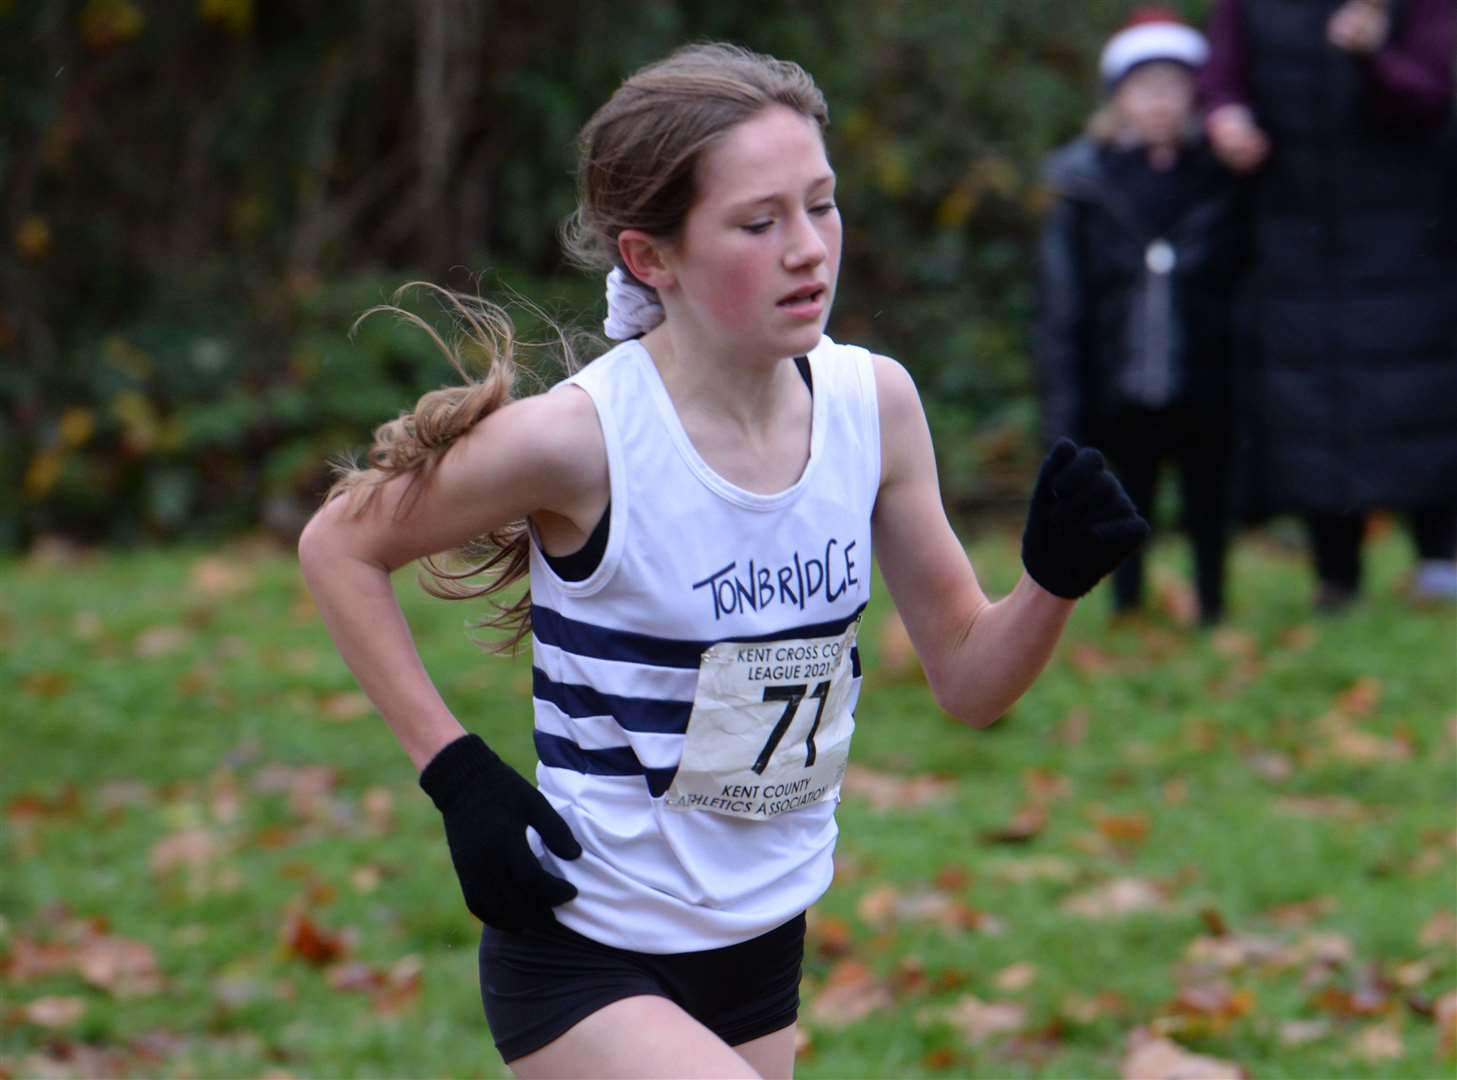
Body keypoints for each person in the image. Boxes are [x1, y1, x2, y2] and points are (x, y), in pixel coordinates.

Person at [297, 43, 1147, 1079]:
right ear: (650, 257)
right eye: (759, 222)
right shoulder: (583, 441)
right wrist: (456, 776)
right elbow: (338, 544)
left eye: (821, 205)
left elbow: (969, 682)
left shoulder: (872, 407)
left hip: (756, 937)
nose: (808, 250)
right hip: (583, 943)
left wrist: (1050, 584)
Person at [1200, 0, 1457, 610]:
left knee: (1421, 395)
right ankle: (1336, 578)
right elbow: (1220, 78)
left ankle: (1439, 564)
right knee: (1312, 402)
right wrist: (1227, 119)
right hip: (1295, 233)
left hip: (1409, 235)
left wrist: (1374, 54)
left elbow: (1430, 95)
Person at [1035, 9, 1242, 626]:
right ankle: (1127, 606)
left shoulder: (1218, 178)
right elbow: (1062, 297)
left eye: (1173, 88)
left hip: (1203, 371)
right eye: (1143, 89)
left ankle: (1212, 603)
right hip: (1117, 375)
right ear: (1118, 98)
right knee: (1128, 492)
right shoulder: (1085, 184)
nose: (1158, 103)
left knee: (1208, 493)